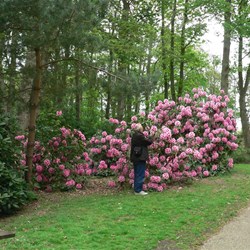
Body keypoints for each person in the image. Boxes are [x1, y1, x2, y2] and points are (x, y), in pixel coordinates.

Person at [130, 123, 153, 195]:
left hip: (135, 157)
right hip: (140, 157)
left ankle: (136, 190)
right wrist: (152, 135)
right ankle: (138, 190)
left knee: (137, 173)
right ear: (140, 129)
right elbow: (149, 142)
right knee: (140, 174)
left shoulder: (134, 135)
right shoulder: (140, 136)